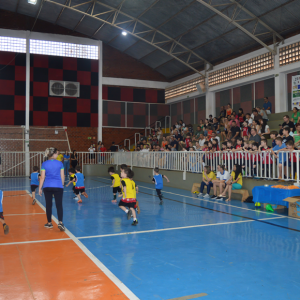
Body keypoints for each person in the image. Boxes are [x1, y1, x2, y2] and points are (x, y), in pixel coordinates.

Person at [38, 147, 65, 231]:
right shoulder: (60, 164)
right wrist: (62, 184)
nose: (58, 155)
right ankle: (60, 222)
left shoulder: (44, 164)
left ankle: (49, 223)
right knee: (59, 205)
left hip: (47, 186)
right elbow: (62, 176)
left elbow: (42, 177)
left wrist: (40, 188)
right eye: (57, 153)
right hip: (58, 186)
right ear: (53, 154)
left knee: (48, 205)